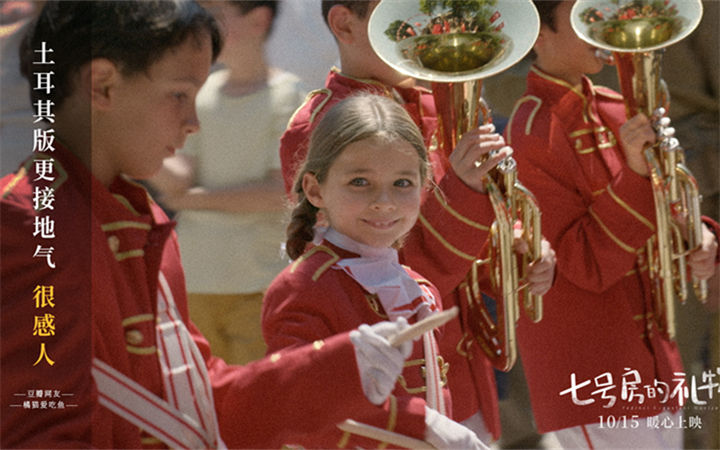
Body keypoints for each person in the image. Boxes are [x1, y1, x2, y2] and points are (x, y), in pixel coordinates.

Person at [0, 2, 454, 447]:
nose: (193, 122)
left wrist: (342, 366)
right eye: (179, 94)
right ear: (102, 84)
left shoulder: (135, 217)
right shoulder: (28, 227)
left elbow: (198, 397)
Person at [277, 1, 557, 443]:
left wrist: (517, 252)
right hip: (397, 387)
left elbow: (480, 236)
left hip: (463, 370)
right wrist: (465, 191)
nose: (427, 26)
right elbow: (384, 269)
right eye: (400, 12)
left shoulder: (434, 101)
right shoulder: (319, 125)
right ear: (344, 23)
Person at [504, 1, 720, 448]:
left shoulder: (614, 107)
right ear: (538, 34)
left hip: (655, 358)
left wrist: (695, 237)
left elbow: (665, 210)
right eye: (583, 17)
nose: (601, 27)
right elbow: (583, 264)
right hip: (592, 373)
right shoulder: (530, 130)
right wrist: (638, 175)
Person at [263, 92, 487, 449]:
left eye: (402, 184)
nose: (384, 202)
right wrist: (424, 424)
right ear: (315, 189)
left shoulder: (418, 286)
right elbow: (307, 400)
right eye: (359, 182)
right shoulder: (303, 287)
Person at [148, 0, 306, 365]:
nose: (202, 26)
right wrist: (124, 135)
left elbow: (275, 194)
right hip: (193, 282)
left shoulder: (291, 97)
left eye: (215, 17)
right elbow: (178, 180)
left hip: (260, 284)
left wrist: (188, 201)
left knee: (253, 406)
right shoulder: (201, 93)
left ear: (259, 20)